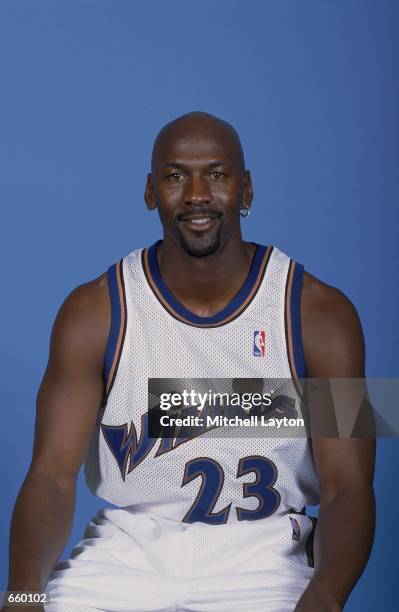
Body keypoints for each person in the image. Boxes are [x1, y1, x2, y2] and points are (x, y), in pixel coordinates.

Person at [5, 112, 375, 612]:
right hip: (128, 551)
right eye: (176, 175)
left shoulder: (324, 315)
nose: (197, 193)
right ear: (150, 192)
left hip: (266, 555)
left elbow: (348, 488)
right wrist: (22, 590)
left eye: (217, 174)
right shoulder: (92, 310)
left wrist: (326, 597)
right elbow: (49, 477)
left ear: (245, 190)